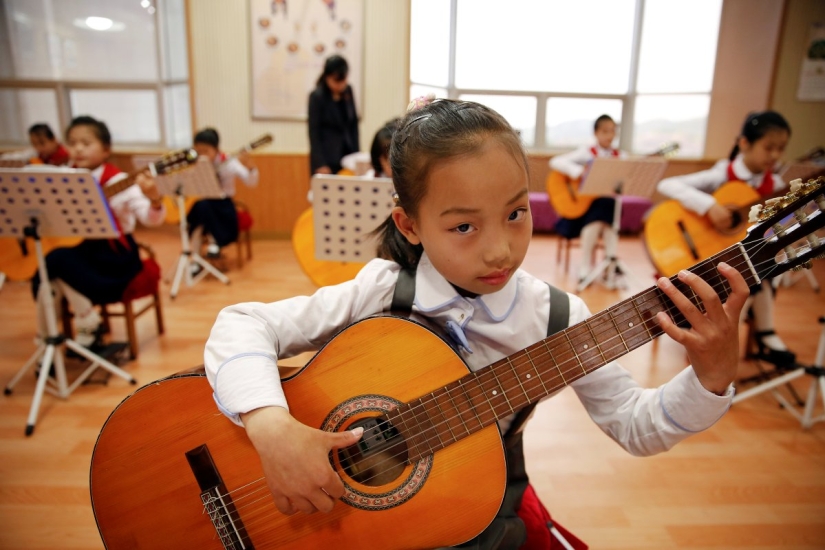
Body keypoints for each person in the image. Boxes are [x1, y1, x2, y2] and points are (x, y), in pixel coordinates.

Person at [204, 98, 749, 549]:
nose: (499, 251)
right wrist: (271, 428)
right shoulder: (383, 289)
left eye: (516, 214)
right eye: (464, 225)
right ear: (410, 225)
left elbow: (636, 426)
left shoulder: (557, 319)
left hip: (476, 524)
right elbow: (241, 323)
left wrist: (710, 378)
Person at [657, 110, 795, 368]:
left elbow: (778, 228)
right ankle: (750, 337)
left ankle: (747, 336)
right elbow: (668, 184)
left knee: (761, 267)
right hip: (709, 260)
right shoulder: (722, 174)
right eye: (769, 147)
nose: (775, 156)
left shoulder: (776, 185)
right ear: (744, 143)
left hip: (745, 264)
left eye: (781, 149)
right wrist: (709, 205)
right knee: (752, 274)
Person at [32, 115, 165, 347]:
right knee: (48, 279)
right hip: (80, 252)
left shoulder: (121, 181)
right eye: (72, 143)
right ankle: (52, 340)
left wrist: (154, 199)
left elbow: (150, 218)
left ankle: (67, 334)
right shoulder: (65, 177)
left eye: (86, 142)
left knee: (54, 263)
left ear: (106, 150)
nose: (78, 149)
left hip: (115, 259)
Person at [548, 114, 624, 283]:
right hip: (583, 209)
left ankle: (606, 265)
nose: (610, 136)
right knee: (601, 217)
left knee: (609, 211)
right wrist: (580, 173)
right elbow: (556, 162)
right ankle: (598, 265)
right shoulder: (587, 152)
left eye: (613, 131)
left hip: (607, 205)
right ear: (596, 133)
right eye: (605, 131)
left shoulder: (621, 157)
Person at [187, 127, 259, 259]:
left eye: (206, 151)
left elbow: (251, 182)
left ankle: (215, 242)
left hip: (224, 206)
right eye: (199, 151)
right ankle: (195, 259)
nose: (202, 154)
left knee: (203, 208)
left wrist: (250, 167)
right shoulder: (195, 163)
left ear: (216, 149)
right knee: (200, 210)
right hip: (205, 204)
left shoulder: (229, 162)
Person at [308, 54, 359, 175]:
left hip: (347, 156)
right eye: (336, 81)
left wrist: (356, 156)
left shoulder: (348, 91)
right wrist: (320, 163)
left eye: (343, 80)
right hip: (326, 159)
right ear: (327, 77)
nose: (341, 85)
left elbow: (353, 125)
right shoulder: (317, 97)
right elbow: (313, 132)